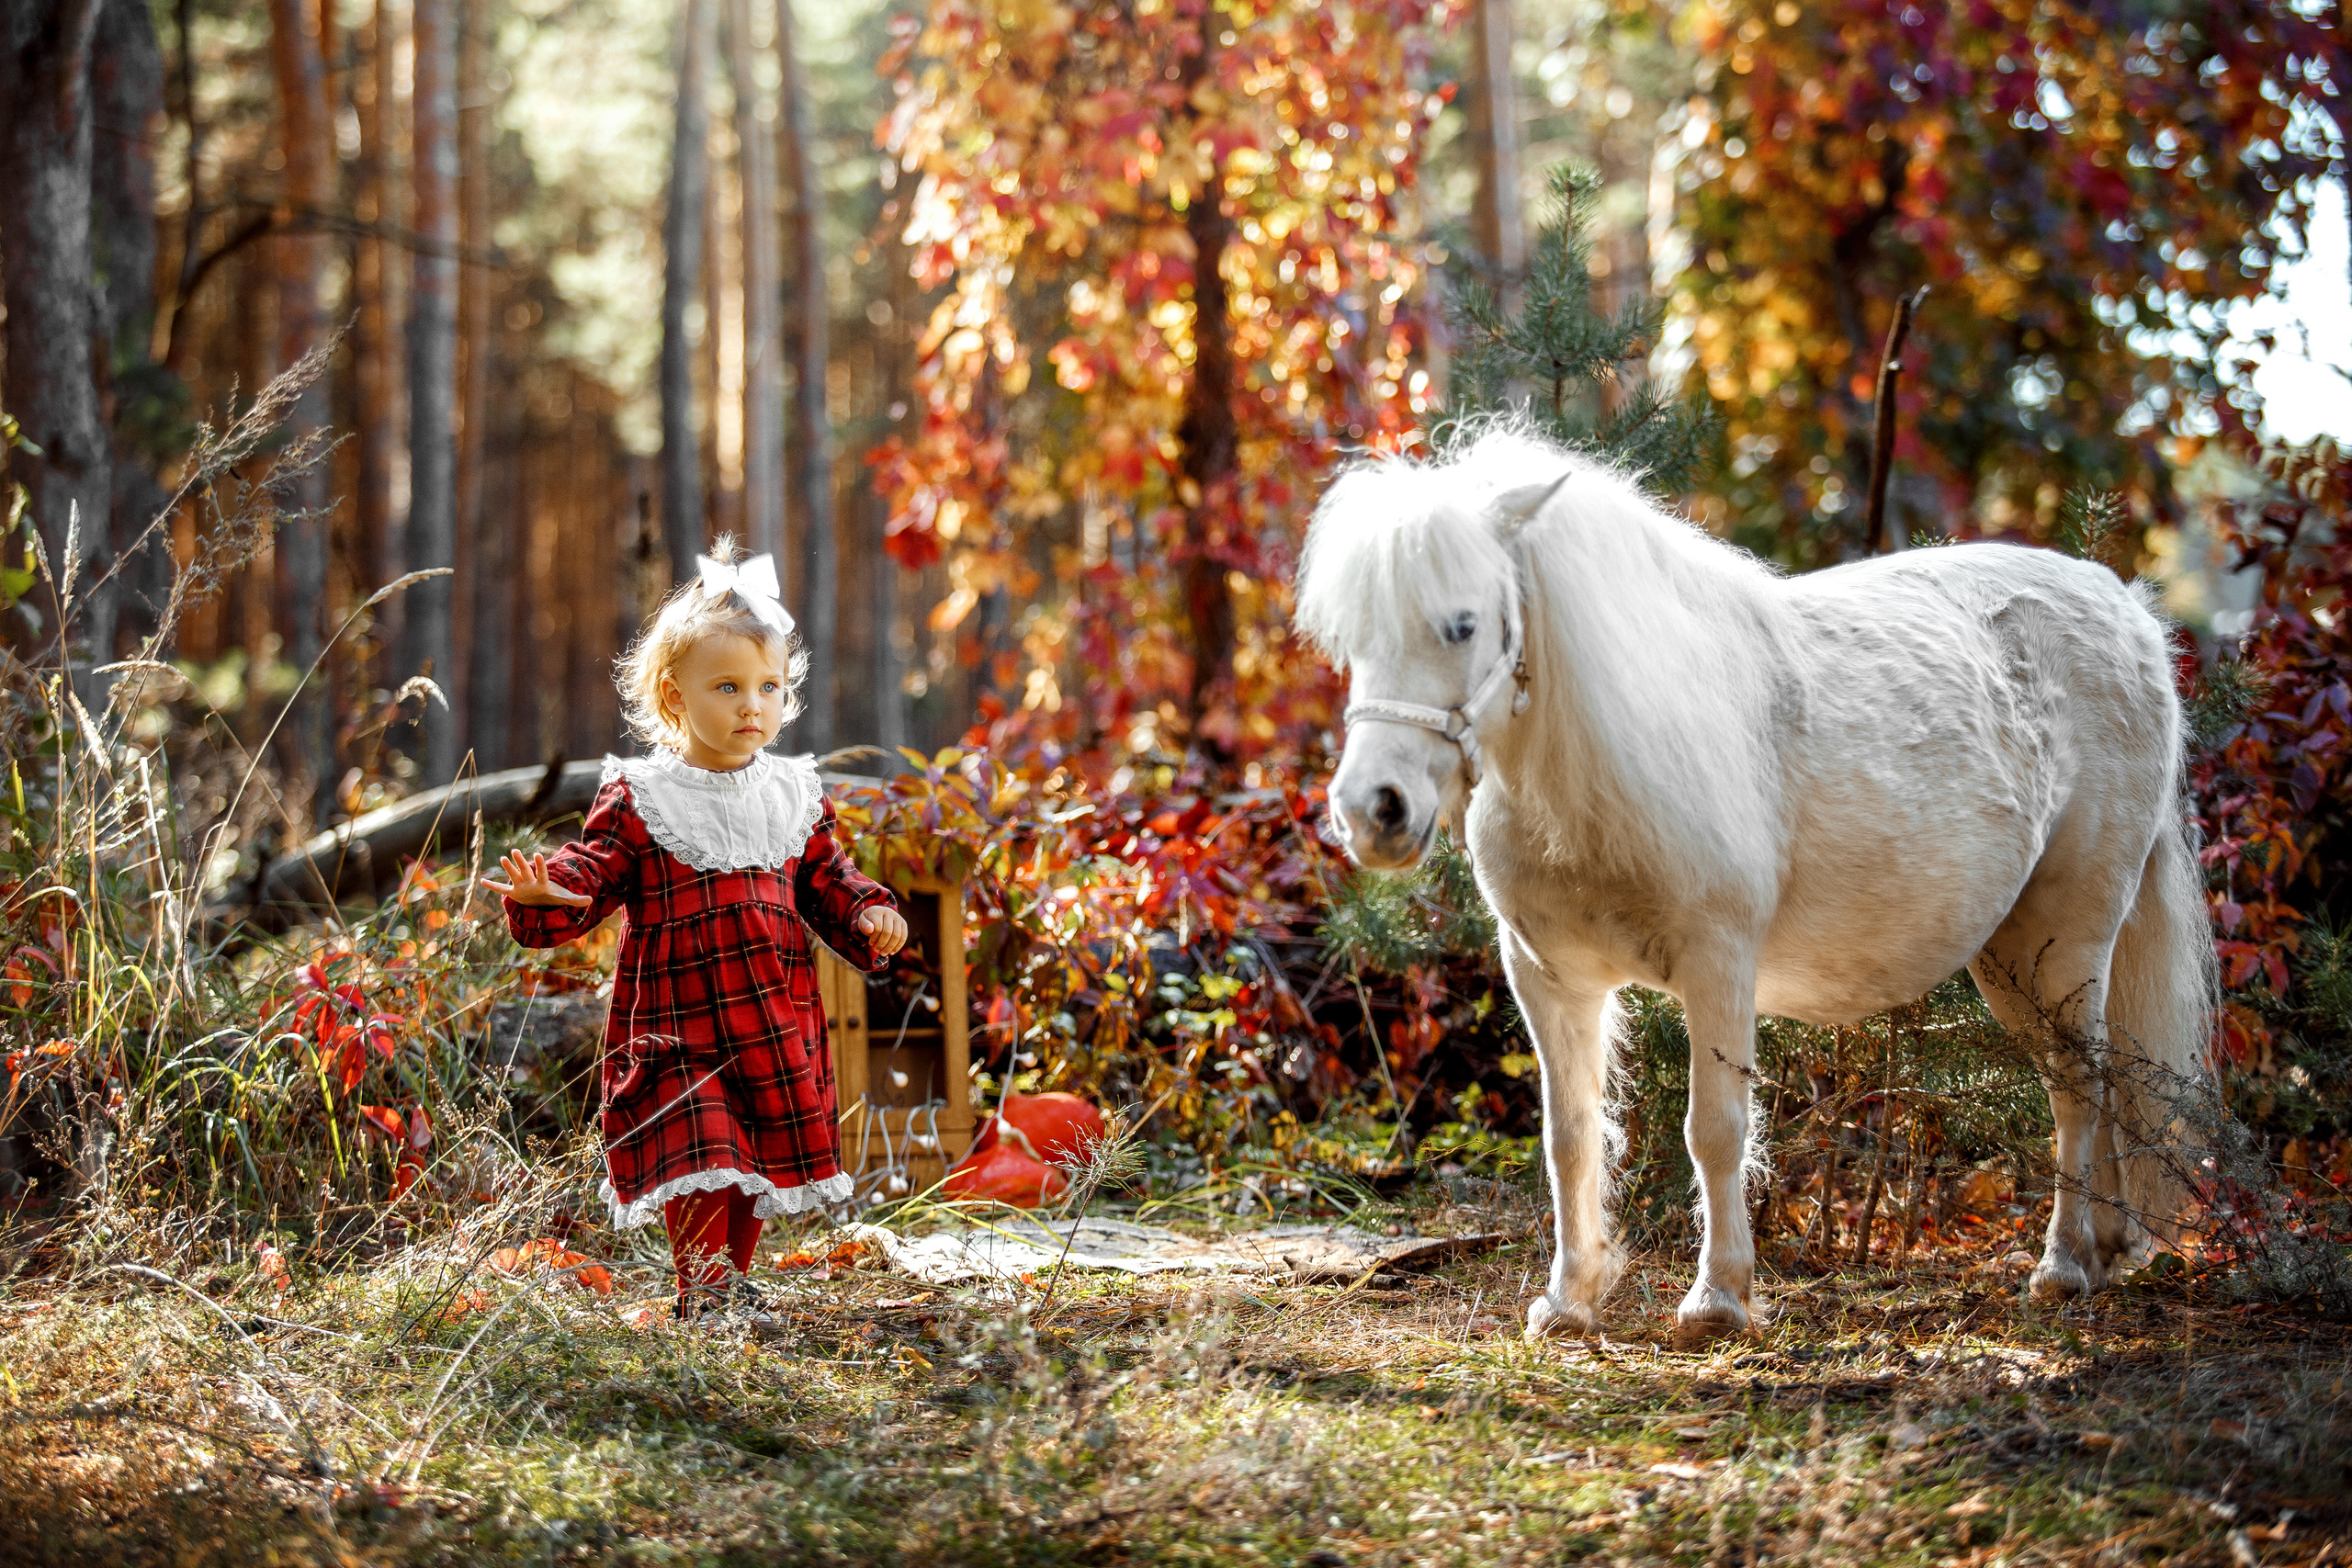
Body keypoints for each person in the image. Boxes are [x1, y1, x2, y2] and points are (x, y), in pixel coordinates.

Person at [483, 538, 908, 1318]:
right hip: (676, 1023)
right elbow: (596, 865)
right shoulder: (644, 795)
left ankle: (729, 1289)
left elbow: (828, 876)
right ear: (675, 696)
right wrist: (553, 890)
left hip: (772, 1019)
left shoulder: (792, 794)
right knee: (702, 1146)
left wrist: (869, 911)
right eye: (728, 686)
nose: (753, 705)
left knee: (752, 1153)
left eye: (768, 687)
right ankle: (702, 1289)